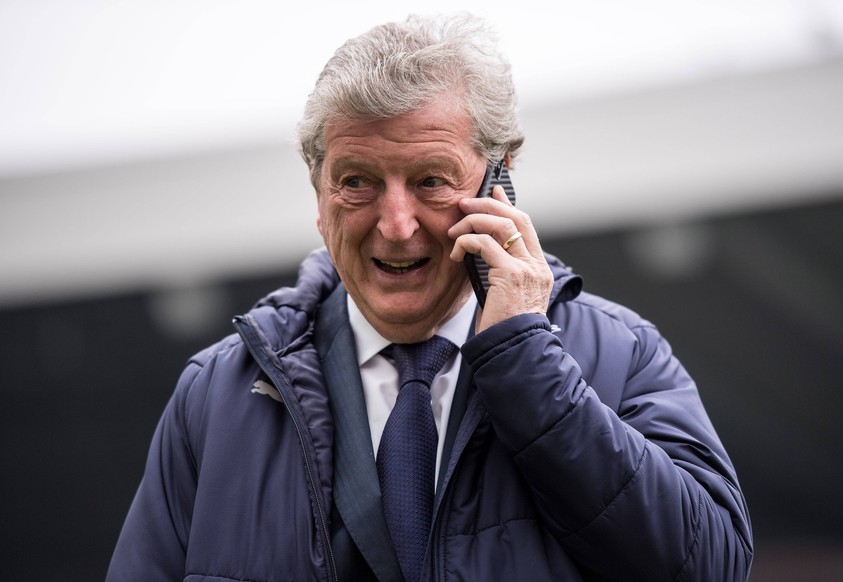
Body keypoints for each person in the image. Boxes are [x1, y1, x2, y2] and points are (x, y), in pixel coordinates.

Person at [107, 12, 753, 582]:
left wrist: (529, 366)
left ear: (501, 180)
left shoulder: (619, 355)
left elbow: (712, 565)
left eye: (430, 181)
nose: (395, 224)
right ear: (317, 192)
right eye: (356, 181)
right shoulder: (214, 400)